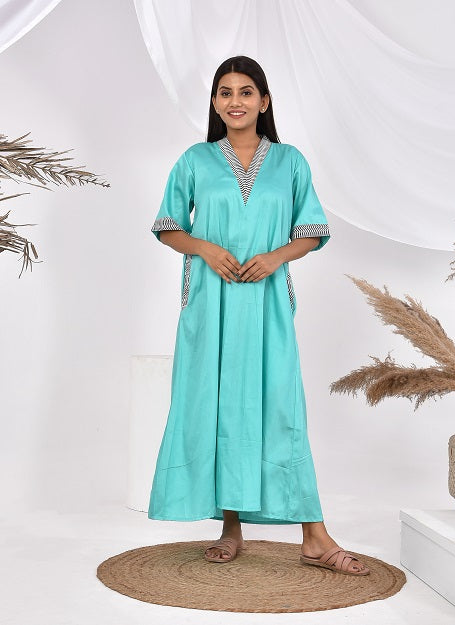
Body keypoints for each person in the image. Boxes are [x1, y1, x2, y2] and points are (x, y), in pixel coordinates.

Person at [148, 55, 369, 576]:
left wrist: (274, 258)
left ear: (264, 101)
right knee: (218, 404)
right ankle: (231, 526)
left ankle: (314, 535)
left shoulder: (290, 162)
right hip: (210, 301)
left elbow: (312, 230)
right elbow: (167, 226)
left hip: (266, 302)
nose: (235, 101)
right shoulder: (196, 160)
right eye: (225, 92)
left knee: (279, 407)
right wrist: (203, 247)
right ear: (214, 102)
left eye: (246, 92)